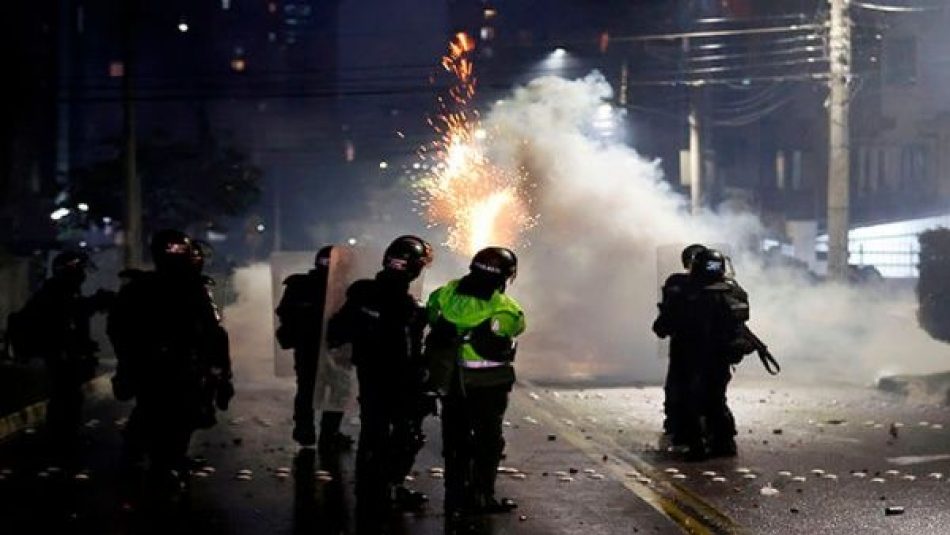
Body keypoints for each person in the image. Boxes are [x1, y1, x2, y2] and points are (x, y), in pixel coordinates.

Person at [108, 229, 233, 497]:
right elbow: (119, 329)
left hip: (180, 369)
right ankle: (147, 466)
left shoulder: (192, 289)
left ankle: (161, 467)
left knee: (178, 418)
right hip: (155, 369)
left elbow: (213, 333)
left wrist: (219, 372)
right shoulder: (141, 288)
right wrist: (131, 360)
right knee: (154, 416)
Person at [325, 235, 434, 526]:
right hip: (398, 378)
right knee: (405, 433)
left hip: (370, 374)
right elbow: (412, 351)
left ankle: (368, 487)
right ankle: (389, 488)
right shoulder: (410, 306)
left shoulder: (362, 293)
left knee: (373, 431)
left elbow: (338, 330)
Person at [425, 246, 526, 517]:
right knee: (488, 441)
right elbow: (515, 328)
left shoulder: (444, 295)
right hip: (488, 384)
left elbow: (431, 314)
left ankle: (454, 496)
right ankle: (482, 495)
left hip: (451, 381)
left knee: (454, 439)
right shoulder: (505, 308)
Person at [14, 251, 113, 463]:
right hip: (60, 357)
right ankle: (60, 441)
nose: (84, 275)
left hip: (66, 355)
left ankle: (66, 438)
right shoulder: (56, 293)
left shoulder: (64, 292)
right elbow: (67, 318)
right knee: (65, 398)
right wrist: (95, 302)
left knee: (70, 397)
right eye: (80, 270)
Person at [670, 248, 751, 460]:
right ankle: (724, 442)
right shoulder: (732, 291)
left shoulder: (685, 291)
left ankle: (696, 445)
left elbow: (664, 325)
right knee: (716, 398)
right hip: (720, 357)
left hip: (692, 356)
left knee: (690, 399)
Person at [276, 245, 353, 451]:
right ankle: (309, 430)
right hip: (310, 344)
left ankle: (323, 433)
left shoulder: (348, 289)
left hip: (336, 347)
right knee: (312, 388)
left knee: (334, 388)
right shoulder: (301, 285)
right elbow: (285, 312)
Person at [652, 243, 706, 447]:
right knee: (715, 395)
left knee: (680, 391)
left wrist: (661, 327)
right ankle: (721, 440)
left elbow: (666, 321)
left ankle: (686, 435)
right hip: (717, 353)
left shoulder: (678, 284)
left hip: (686, 350)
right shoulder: (725, 287)